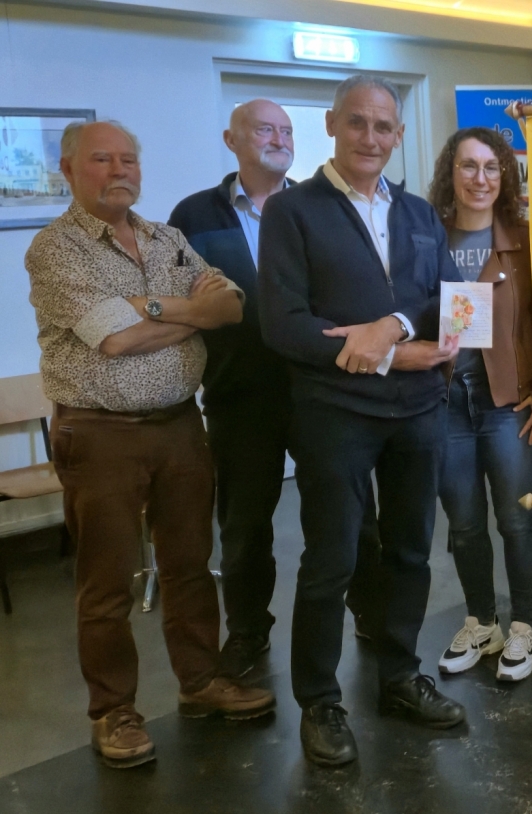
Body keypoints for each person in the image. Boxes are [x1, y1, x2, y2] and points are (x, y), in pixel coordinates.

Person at [24, 121, 275, 770]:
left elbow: (230, 307)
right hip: (99, 433)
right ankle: (114, 712)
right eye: (102, 159)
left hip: (180, 426)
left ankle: (201, 682)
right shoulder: (56, 249)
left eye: (128, 159)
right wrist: (187, 313)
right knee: (106, 582)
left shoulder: (169, 238)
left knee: (190, 566)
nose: (119, 170)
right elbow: (113, 338)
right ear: (68, 169)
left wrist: (150, 307)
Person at [257, 75, 463, 767]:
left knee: (410, 552)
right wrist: (391, 356)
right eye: (357, 123)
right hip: (335, 413)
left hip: (419, 412)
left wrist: (392, 325)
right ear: (331, 124)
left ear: (398, 135)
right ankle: (320, 701)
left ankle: (399, 675)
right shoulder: (292, 212)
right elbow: (284, 325)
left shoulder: (419, 213)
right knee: (332, 561)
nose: (370, 138)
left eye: (383, 126)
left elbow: (444, 298)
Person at [166, 100, 297, 679]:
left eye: (286, 130)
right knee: (243, 529)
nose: (279, 139)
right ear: (232, 139)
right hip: (238, 395)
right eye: (265, 129)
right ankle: (247, 632)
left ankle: (369, 615)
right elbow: (181, 301)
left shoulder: (316, 206)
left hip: (318, 391)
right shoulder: (193, 215)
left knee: (349, 517)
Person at [425, 128, 532, 682]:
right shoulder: (427, 237)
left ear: (505, 176)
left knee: (517, 520)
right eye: (468, 166)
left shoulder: (524, 239)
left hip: (507, 402)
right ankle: (482, 623)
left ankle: (524, 628)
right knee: (465, 524)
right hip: (445, 401)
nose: (480, 178)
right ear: (450, 173)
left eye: (491, 167)